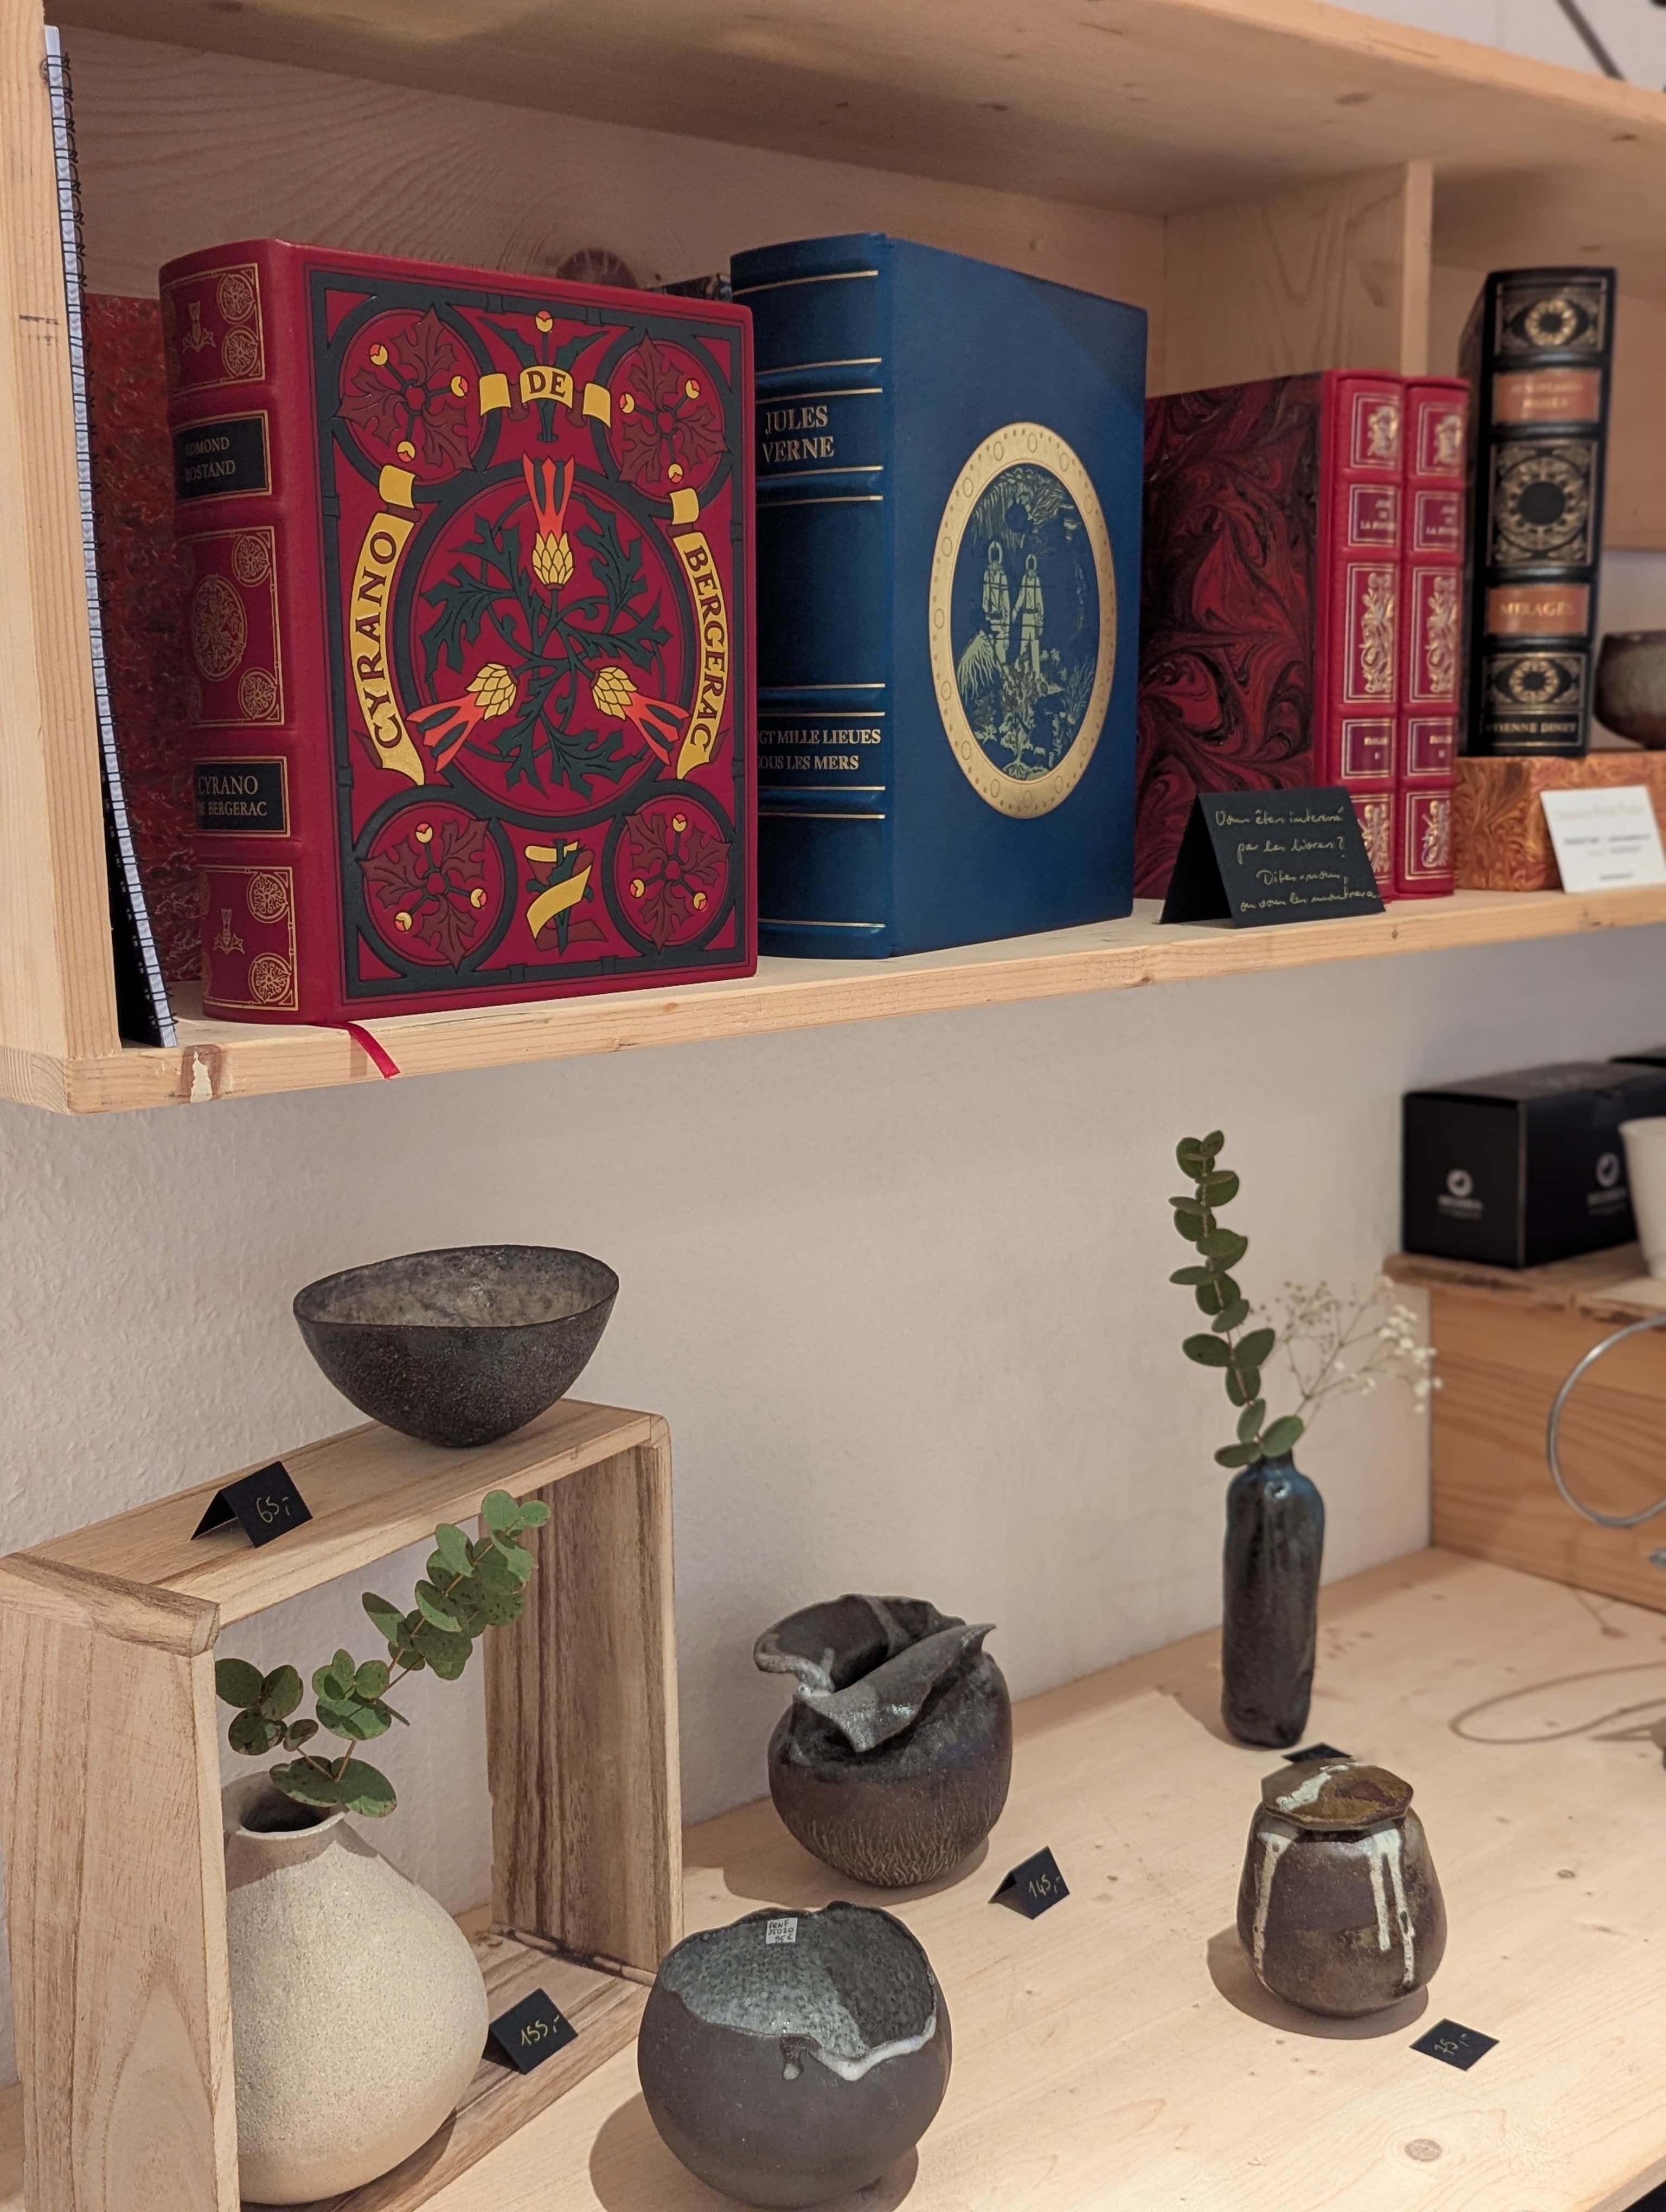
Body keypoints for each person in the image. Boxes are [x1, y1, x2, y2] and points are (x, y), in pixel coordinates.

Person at [982, 542, 1011, 664]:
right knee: (989, 660)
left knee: (1001, 659)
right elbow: (985, 600)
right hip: (989, 623)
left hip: (999, 623)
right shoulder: (987, 575)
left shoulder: (1002, 577)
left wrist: (1007, 633)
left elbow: (1006, 605)